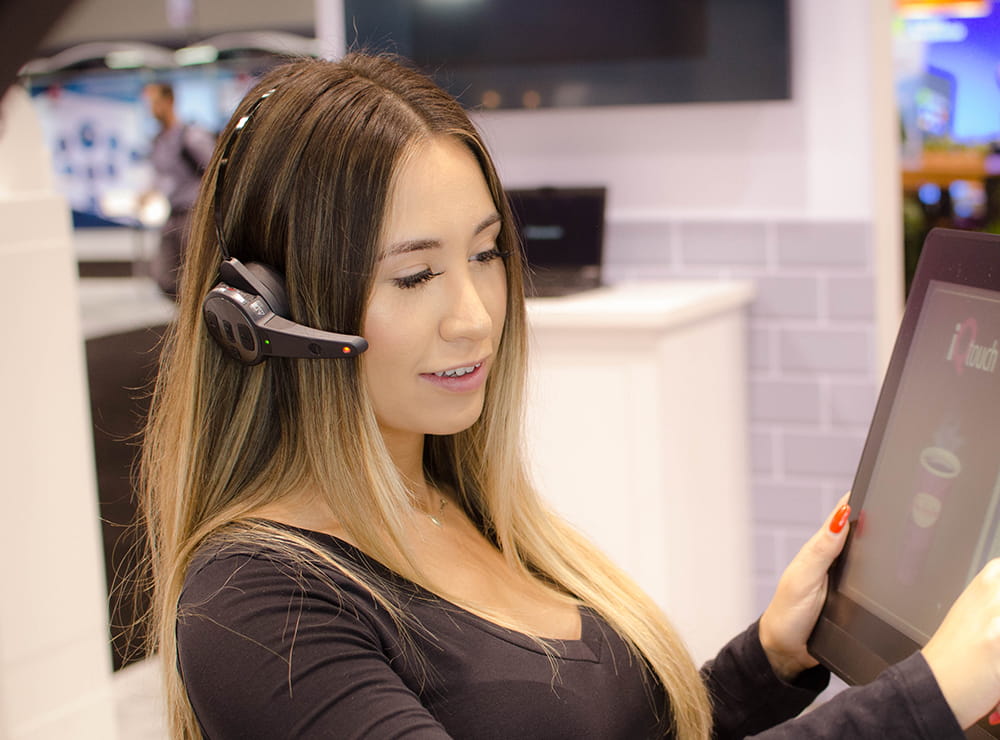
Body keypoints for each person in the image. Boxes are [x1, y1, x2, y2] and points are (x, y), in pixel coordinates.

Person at [139, 53, 1000, 739]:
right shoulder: (254, 608)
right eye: (415, 275)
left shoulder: (451, 501)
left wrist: (769, 658)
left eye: (484, 255)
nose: (475, 318)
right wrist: (925, 699)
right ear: (269, 315)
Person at [142, 82, 215, 298]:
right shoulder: (158, 141)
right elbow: (161, 176)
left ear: (169, 101)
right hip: (171, 215)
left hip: (193, 214)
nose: (151, 109)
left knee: (198, 274)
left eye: (154, 103)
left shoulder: (191, 137)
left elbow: (213, 172)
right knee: (165, 276)